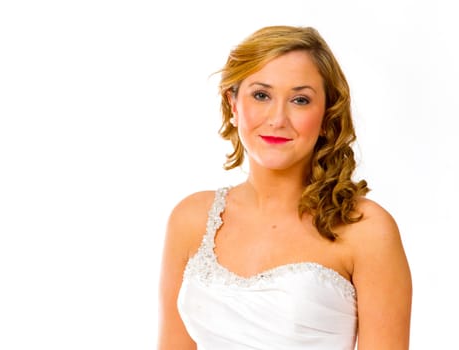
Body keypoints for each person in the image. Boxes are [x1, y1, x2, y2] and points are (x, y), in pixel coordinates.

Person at [157, 25, 412, 350]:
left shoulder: (366, 229)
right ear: (233, 104)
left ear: (326, 113)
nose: (278, 118)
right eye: (261, 95)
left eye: (300, 100)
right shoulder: (191, 218)